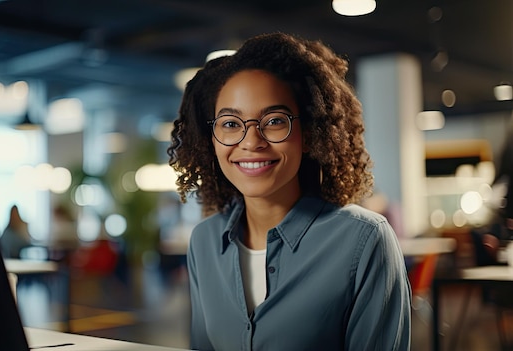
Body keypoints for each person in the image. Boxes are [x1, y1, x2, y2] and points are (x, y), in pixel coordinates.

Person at [167, 32, 411, 350]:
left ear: (308, 133)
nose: (251, 141)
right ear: (210, 139)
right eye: (230, 124)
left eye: (274, 121)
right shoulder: (204, 242)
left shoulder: (364, 241)